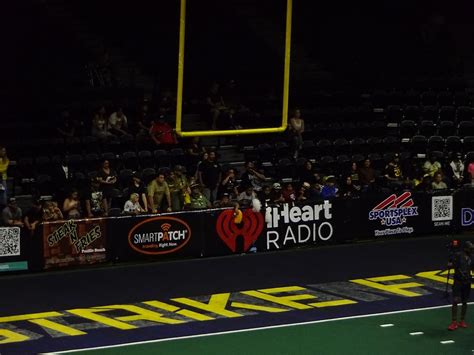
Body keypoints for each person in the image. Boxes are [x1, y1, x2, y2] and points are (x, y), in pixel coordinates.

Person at [447, 241, 473, 331]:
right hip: (458, 281)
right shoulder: (458, 256)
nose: (471, 250)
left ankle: (462, 321)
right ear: (465, 248)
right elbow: (451, 265)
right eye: (470, 249)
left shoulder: (471, 257)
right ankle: (454, 322)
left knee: (465, 301)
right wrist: (450, 264)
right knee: (455, 300)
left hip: (467, 281)